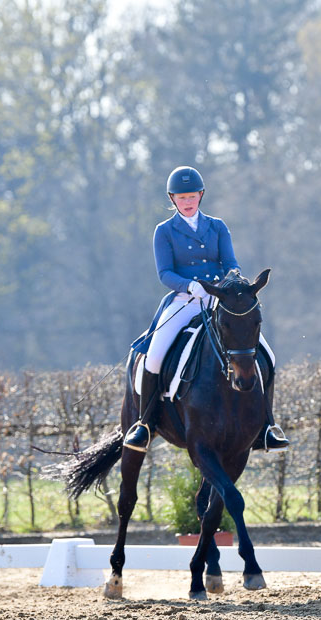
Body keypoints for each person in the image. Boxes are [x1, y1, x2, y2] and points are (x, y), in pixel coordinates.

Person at [123, 165, 289, 454]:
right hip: (184, 300)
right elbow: (164, 273)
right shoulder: (164, 231)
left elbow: (231, 263)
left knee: (267, 355)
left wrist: (230, 282)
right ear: (172, 199)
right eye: (181, 197)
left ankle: (267, 426)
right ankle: (145, 424)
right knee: (154, 356)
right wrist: (189, 286)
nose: (187, 202)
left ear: (201, 195)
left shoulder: (217, 226)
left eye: (192, 196)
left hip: (219, 299)